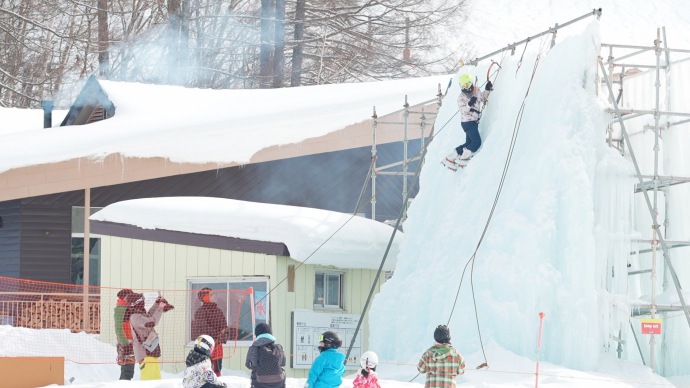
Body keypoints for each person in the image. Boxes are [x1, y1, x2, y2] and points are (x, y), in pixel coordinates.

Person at [442, 73, 493, 169]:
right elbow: (463, 110)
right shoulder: (461, 97)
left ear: (471, 83)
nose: (465, 88)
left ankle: (450, 157)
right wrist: (469, 104)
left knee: (468, 143)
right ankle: (464, 158)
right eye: (462, 86)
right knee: (476, 142)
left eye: (466, 85)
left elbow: (483, 98)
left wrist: (487, 89)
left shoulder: (476, 90)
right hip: (467, 123)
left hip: (473, 122)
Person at [127, 292, 175, 380]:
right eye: (142, 301)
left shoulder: (140, 313)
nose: (144, 302)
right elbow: (152, 321)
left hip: (152, 353)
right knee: (148, 382)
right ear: (137, 303)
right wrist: (161, 307)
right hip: (145, 355)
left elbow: (149, 315)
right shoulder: (135, 317)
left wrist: (157, 304)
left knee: (156, 381)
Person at [192, 287, 230, 376]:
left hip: (218, 346)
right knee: (206, 369)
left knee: (217, 369)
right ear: (205, 298)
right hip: (206, 346)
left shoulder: (218, 311)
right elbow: (203, 328)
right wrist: (216, 337)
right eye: (211, 295)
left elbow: (224, 326)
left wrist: (222, 337)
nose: (214, 296)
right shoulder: (200, 312)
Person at [245, 322, 286, 388]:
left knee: (255, 373)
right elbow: (283, 363)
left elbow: (248, 365)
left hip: (259, 382)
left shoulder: (254, 348)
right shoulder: (279, 347)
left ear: (257, 335)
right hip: (278, 382)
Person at [114, 288, 135, 380]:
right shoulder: (120, 309)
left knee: (128, 369)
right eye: (130, 296)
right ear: (125, 297)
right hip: (126, 342)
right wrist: (125, 344)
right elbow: (118, 328)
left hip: (130, 341)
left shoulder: (127, 308)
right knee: (127, 370)